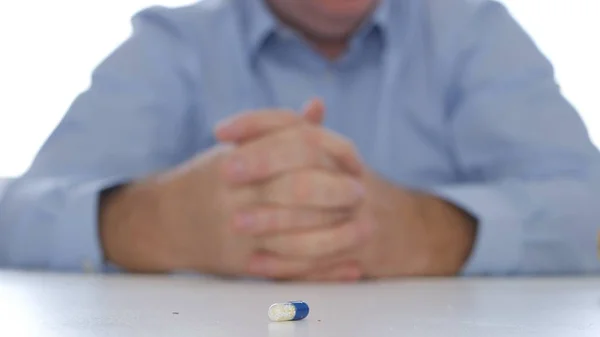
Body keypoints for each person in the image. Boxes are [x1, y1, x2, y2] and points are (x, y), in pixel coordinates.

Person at [0, 0, 599, 280]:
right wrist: (150, 221)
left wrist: (438, 230)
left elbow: (590, 207)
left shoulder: (473, 30)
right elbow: (16, 212)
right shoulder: (172, 44)